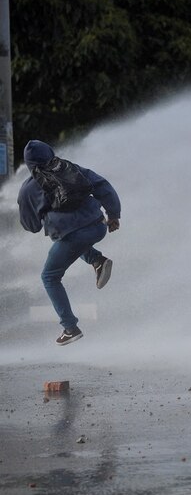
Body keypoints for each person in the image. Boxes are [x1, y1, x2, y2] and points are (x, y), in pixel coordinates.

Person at [17, 140, 121, 345]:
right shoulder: (70, 168)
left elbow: (32, 226)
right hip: (99, 226)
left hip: (74, 236)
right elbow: (102, 185)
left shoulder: (29, 189)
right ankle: (97, 260)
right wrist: (114, 214)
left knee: (49, 277)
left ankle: (70, 327)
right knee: (71, 240)